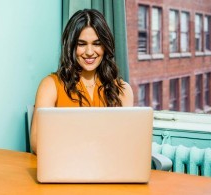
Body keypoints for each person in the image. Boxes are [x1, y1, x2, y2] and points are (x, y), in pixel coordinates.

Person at [30, 9, 134, 153]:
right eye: (82, 44)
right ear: (71, 46)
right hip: (65, 166)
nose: (90, 52)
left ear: (105, 46)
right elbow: (36, 143)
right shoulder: (50, 86)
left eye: (97, 43)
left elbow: (127, 142)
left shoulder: (123, 89)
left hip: (109, 168)